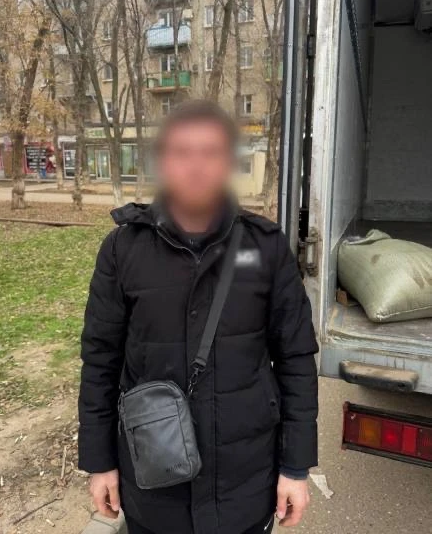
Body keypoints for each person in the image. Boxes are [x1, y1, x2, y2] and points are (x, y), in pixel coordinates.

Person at [78, 100, 319, 534]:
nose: (196, 166)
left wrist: (295, 468)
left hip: (246, 486)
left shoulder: (265, 247)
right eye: (181, 152)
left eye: (210, 152)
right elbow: (100, 361)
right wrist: (100, 463)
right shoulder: (123, 250)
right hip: (154, 489)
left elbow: (296, 359)